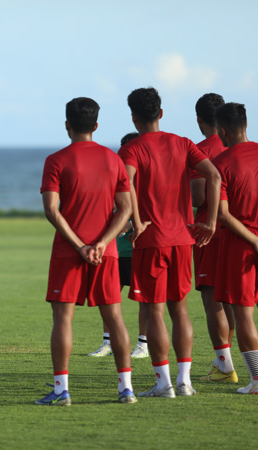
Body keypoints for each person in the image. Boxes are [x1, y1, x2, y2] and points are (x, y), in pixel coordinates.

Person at [118, 87, 221, 398]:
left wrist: (136, 221)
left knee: (155, 313)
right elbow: (214, 177)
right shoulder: (183, 143)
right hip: (182, 239)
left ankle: (163, 383)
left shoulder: (131, 149)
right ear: (161, 113)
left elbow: (126, 184)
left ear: (133, 116)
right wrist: (211, 222)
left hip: (151, 240)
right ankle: (184, 382)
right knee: (181, 311)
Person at [36, 97, 135, 406]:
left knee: (63, 319)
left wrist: (80, 245)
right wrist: (103, 243)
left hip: (69, 251)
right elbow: (126, 209)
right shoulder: (113, 159)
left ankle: (62, 390)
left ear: (67, 125)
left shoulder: (56, 160)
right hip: (106, 254)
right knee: (115, 317)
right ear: (95, 125)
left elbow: (52, 211)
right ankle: (125, 389)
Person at [88, 132, 149, 359]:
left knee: (142, 298)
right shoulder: (114, 177)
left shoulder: (143, 182)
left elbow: (141, 213)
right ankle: (108, 343)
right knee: (109, 297)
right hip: (114, 250)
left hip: (137, 250)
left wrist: (127, 224)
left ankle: (143, 344)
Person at [190, 94, 238, 382]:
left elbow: (197, 196)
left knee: (213, 301)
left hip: (210, 231)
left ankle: (225, 365)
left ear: (199, 120)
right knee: (234, 299)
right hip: (240, 229)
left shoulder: (199, 150)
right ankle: (228, 362)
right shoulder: (240, 148)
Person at [212, 102, 258, 394]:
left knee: (243, 316)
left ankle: (256, 380)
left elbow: (223, 215)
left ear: (222, 130)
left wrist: (254, 241)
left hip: (241, 244)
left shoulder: (221, 163)